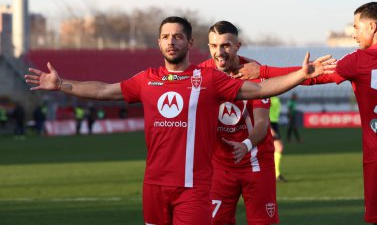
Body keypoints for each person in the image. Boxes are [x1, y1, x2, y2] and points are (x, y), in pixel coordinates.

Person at [25, 16, 334, 225]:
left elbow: (261, 88)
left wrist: (298, 75)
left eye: (177, 37)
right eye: (165, 37)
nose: (171, 42)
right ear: (159, 43)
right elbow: (104, 90)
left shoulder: (209, 79)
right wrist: (62, 84)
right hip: (154, 187)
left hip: (194, 188)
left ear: (189, 43)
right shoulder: (147, 79)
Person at [233, 2, 377, 225]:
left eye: (356, 27)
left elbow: (311, 76)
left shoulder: (359, 60)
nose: (354, 35)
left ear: (371, 26)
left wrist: (262, 71)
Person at [198, 21, 279, 224]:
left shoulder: (254, 72)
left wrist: (245, 145)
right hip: (219, 167)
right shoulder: (199, 75)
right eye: (214, 46)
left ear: (237, 45)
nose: (219, 52)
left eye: (225, 45)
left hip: (256, 162)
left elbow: (261, 123)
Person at [269, 96, 286, 182]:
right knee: (278, 148)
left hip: (274, 123)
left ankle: (274, 173)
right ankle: (276, 174)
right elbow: (263, 112)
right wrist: (270, 128)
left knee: (274, 149)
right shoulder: (269, 96)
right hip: (270, 123)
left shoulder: (274, 95)